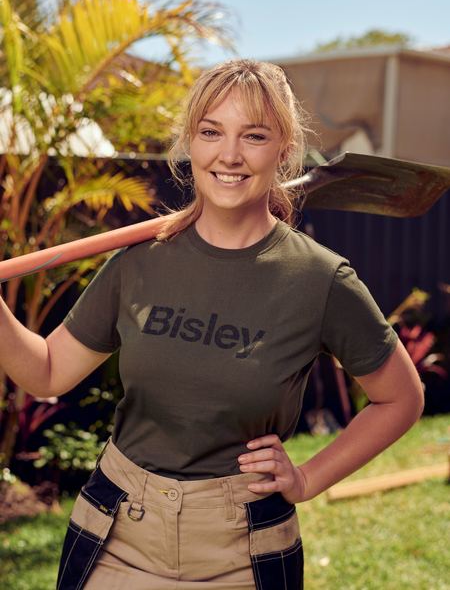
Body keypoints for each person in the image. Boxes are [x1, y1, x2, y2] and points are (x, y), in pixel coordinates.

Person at [0, 59, 424, 590]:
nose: (229, 155)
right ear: (189, 144)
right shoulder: (139, 261)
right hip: (116, 534)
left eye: (254, 135)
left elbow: (402, 399)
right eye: (210, 132)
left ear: (284, 149)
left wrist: (308, 477)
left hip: (242, 549)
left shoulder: (320, 279)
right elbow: (46, 373)